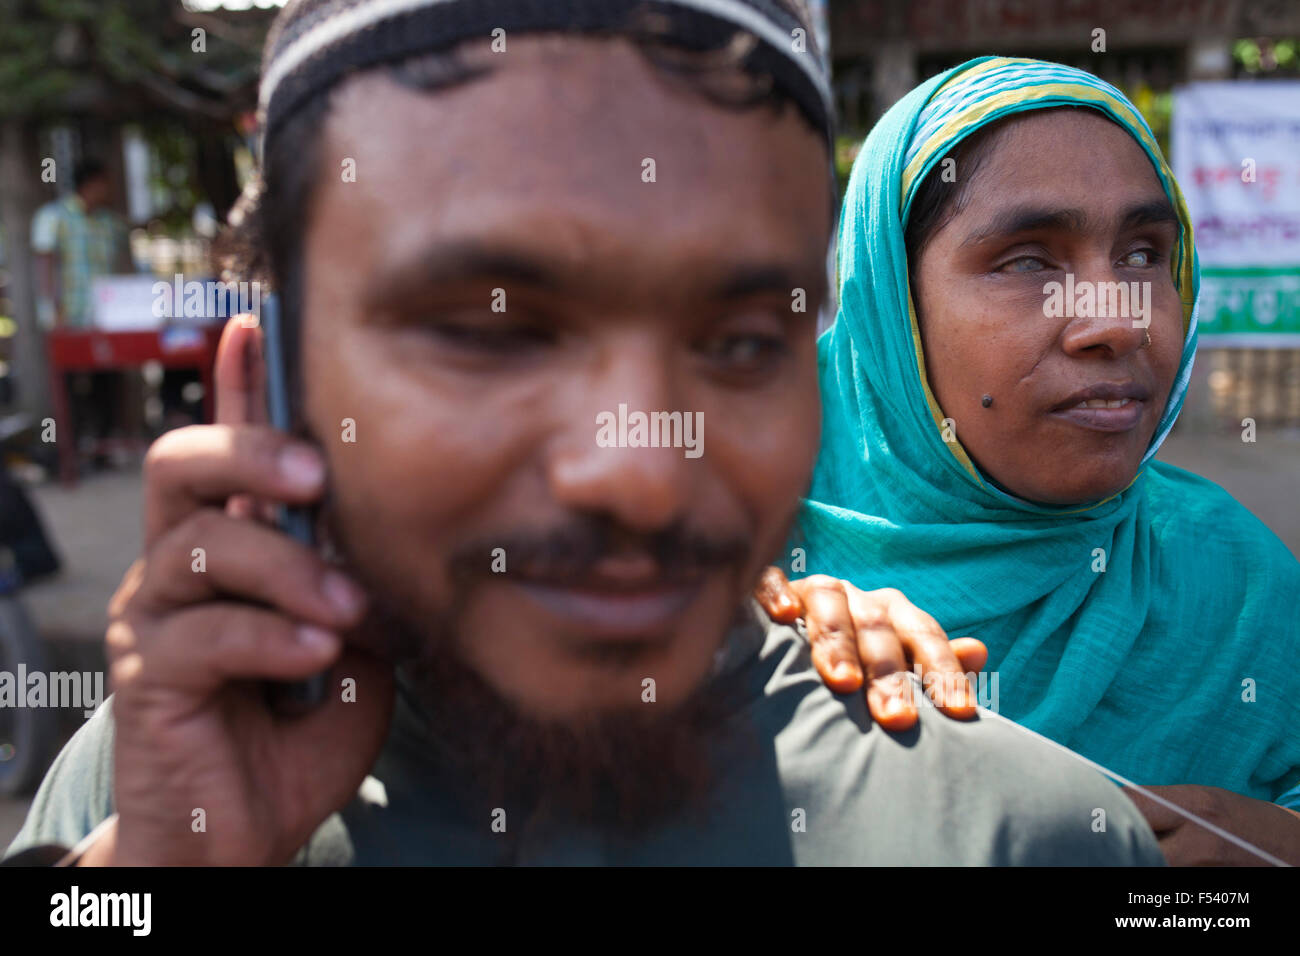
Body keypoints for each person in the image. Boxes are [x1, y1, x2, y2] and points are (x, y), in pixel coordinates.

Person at [4, 3, 1161, 867]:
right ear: (275, 376)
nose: (644, 474)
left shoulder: (1027, 833)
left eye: (743, 339)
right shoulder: (147, 785)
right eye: (488, 331)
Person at [755, 57, 1300, 866]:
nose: (1115, 322)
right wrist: (754, 649)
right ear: (891, 305)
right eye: (1029, 263)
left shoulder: (1240, 581)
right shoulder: (740, 560)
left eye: (1145, 255)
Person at [31, 157, 136, 460]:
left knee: (108, 381)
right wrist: (52, 309)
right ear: (92, 184)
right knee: (69, 385)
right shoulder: (54, 218)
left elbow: (123, 266)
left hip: (107, 318)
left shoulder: (111, 223)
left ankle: (103, 444)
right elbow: (45, 263)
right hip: (69, 316)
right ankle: (72, 449)